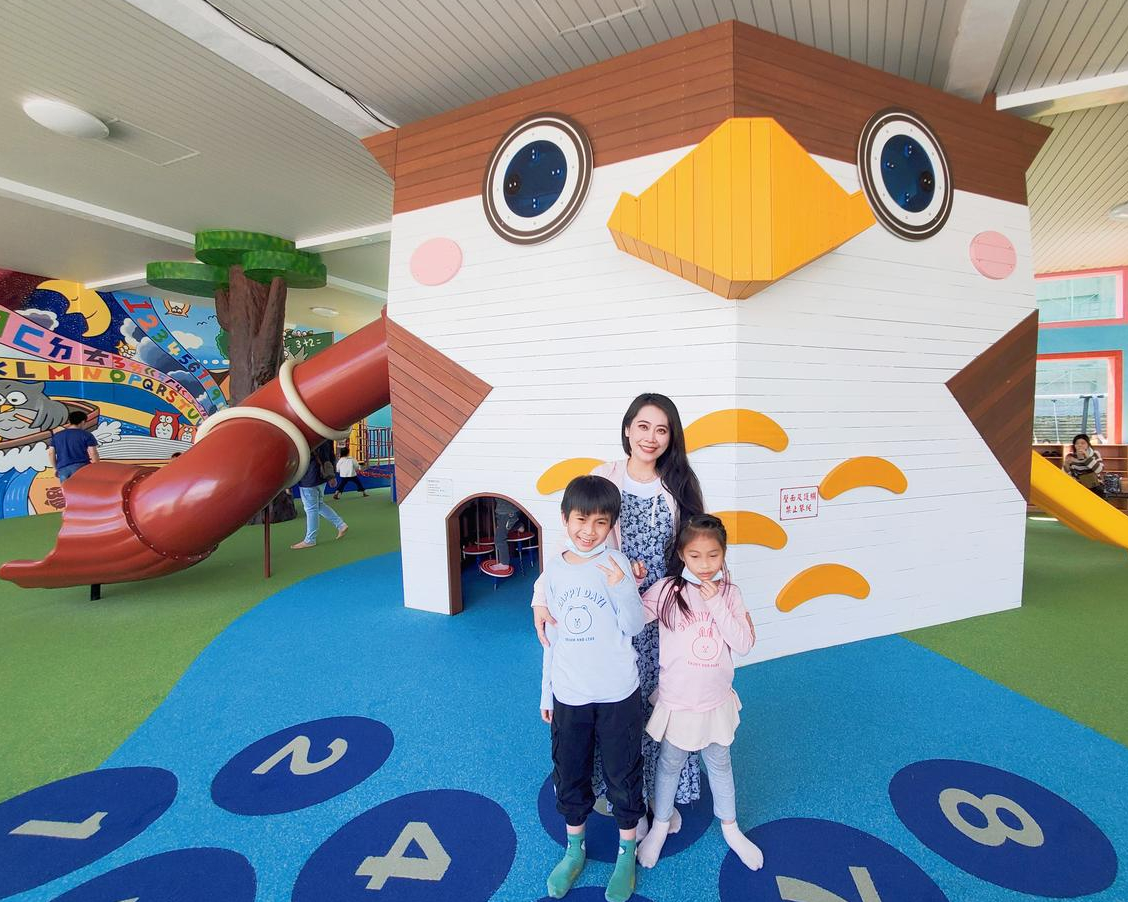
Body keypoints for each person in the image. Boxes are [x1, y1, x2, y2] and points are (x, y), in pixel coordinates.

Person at [534, 393, 706, 839]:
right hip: (606, 615)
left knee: (654, 702)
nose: (651, 437)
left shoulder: (680, 485)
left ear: (671, 438)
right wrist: (539, 597)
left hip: (662, 616)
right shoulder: (603, 478)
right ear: (627, 428)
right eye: (643, 426)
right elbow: (569, 550)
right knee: (609, 706)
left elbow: (695, 552)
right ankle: (610, 789)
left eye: (662, 429)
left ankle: (654, 798)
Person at [635, 515, 763, 872]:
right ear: (681, 554)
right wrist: (630, 583)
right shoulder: (666, 590)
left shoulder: (730, 593)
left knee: (720, 764)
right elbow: (630, 621)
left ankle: (731, 828)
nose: (704, 565)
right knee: (669, 763)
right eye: (695, 556)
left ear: (723, 554)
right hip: (677, 701)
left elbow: (744, 643)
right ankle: (660, 826)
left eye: (713, 555)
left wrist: (718, 603)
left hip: (715, 701)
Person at [540, 475, 646, 902]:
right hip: (569, 692)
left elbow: (635, 626)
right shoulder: (553, 570)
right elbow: (552, 636)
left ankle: (626, 852)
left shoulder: (617, 564)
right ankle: (574, 849)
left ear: (612, 525)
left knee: (623, 775)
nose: (589, 531)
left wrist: (623, 587)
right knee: (570, 773)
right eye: (581, 519)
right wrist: (546, 693)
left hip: (619, 690)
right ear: (565, 518)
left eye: (601, 522)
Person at [292, 441, 348, 549]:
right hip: (323, 475)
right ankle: (341, 525)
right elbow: (331, 454)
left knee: (311, 508)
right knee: (318, 504)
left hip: (308, 477)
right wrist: (332, 476)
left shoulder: (305, 437)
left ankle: (310, 539)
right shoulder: (327, 437)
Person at [48, 411, 99, 485]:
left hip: (63, 469)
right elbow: (93, 453)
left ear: (70, 421)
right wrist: (97, 467)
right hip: (82, 468)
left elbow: (51, 453)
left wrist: (57, 468)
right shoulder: (86, 435)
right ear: (83, 422)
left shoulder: (57, 436)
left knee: (68, 494)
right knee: (82, 492)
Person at [1063, 433, 1105, 497]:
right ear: (1074, 445)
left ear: (1088, 445)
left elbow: (1099, 470)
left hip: (1094, 485)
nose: (1079, 445)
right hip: (1078, 486)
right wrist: (1066, 465)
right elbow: (1067, 474)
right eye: (1077, 443)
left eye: (1083, 443)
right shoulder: (1070, 456)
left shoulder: (1095, 454)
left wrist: (1087, 457)